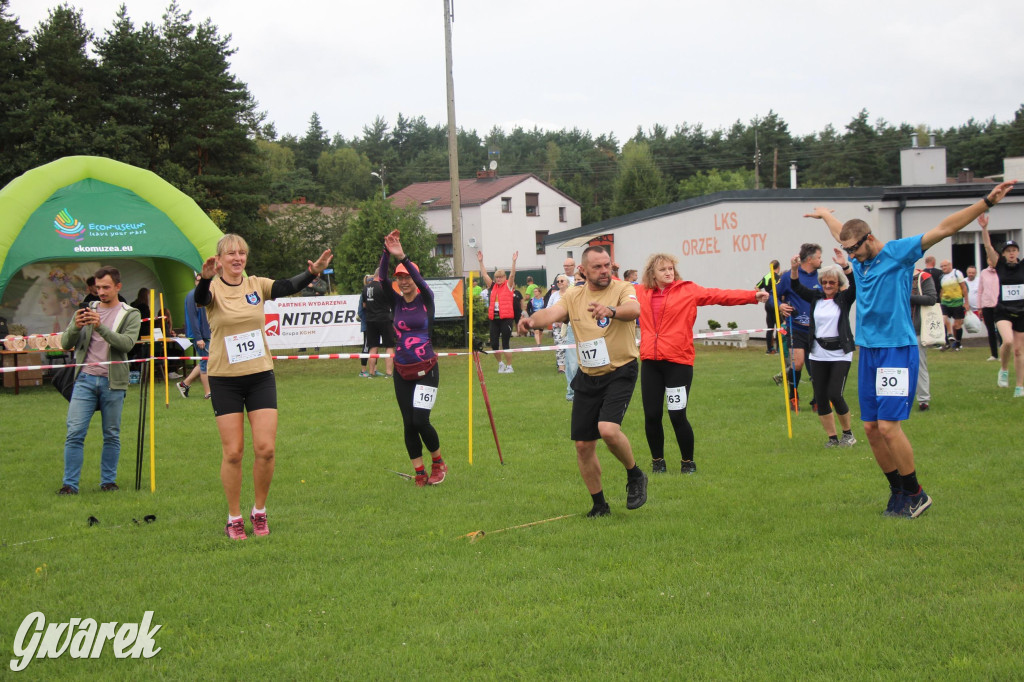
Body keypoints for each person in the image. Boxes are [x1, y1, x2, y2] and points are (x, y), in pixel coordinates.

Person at [804, 178, 1015, 519]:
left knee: (889, 427)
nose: (853, 258)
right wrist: (825, 214)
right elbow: (841, 230)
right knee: (871, 429)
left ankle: (916, 493)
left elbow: (945, 227)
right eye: (850, 252)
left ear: (870, 239)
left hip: (897, 350)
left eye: (856, 250)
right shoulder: (858, 257)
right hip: (869, 350)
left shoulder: (898, 253)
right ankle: (898, 492)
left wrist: (987, 202)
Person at [196, 233, 333, 540]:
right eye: (230, 254)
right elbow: (201, 299)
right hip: (224, 379)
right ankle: (234, 517)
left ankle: (259, 512)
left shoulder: (255, 284)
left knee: (266, 449)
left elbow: (286, 287)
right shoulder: (212, 288)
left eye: (241, 253)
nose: (237, 258)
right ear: (219, 260)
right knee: (233, 453)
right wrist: (205, 280)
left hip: (260, 376)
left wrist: (314, 271)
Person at [518, 246, 648, 517]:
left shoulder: (623, 288)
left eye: (607, 265)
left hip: (620, 370)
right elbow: (550, 315)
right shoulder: (573, 295)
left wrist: (610, 310)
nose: (604, 271)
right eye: (598, 267)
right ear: (583, 270)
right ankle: (599, 505)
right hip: (588, 376)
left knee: (608, 430)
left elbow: (634, 310)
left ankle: (635, 474)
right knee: (583, 445)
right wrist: (531, 321)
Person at [635, 252, 768, 473]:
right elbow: (613, 287)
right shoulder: (640, 292)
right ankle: (658, 462)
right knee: (651, 415)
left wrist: (752, 296)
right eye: (663, 270)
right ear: (652, 274)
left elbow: (720, 295)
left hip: (678, 362)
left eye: (670, 269)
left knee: (677, 414)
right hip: (651, 362)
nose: (668, 273)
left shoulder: (688, 290)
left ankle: (688, 462)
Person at [57, 266, 141, 495]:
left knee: (111, 434)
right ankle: (69, 485)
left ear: (117, 287)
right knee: (74, 432)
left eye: (106, 287)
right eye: (98, 287)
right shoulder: (85, 309)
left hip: (113, 382)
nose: (100, 292)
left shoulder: (130, 313)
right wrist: (76, 325)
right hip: (84, 379)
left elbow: (126, 345)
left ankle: (108, 482)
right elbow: (65, 343)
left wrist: (100, 327)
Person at [378, 230, 447, 486]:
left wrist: (403, 256)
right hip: (402, 370)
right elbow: (381, 278)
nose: (404, 281)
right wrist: (386, 251)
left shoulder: (426, 299)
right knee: (408, 423)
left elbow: (419, 278)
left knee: (421, 419)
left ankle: (438, 462)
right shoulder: (395, 301)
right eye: (400, 278)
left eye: (407, 277)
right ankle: (419, 471)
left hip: (427, 369)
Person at [787, 251, 858, 447]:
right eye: (825, 282)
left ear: (838, 284)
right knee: (821, 396)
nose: (827, 286)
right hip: (818, 352)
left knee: (835, 393)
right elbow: (796, 287)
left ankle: (848, 434)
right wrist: (794, 269)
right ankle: (832, 438)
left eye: (832, 283)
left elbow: (856, 285)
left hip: (840, 353)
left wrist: (845, 266)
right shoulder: (816, 298)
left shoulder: (844, 299)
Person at [769, 244, 823, 411]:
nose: (821, 260)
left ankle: (817, 400)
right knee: (797, 364)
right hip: (796, 327)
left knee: (816, 367)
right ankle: (793, 397)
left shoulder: (821, 278)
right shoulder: (789, 277)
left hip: (817, 329)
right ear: (809, 259)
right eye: (819, 257)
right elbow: (773, 295)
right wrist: (780, 306)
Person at [979, 213, 1024, 397]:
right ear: (1004, 254)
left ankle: (1020, 387)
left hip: (1022, 312)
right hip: (1003, 311)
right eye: (1008, 250)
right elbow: (988, 247)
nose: (1012, 253)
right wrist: (984, 228)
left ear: (1018, 253)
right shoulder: (1000, 265)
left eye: (1015, 250)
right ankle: (1003, 370)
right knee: (1008, 341)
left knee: (1019, 351)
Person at [476, 249, 518, 374]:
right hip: (494, 319)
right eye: (497, 277)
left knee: (505, 343)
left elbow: (512, 275)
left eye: (500, 277)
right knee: (494, 344)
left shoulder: (508, 285)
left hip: (506, 319)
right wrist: (481, 262)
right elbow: (484, 275)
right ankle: (500, 364)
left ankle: (510, 366)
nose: (498, 279)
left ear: (504, 278)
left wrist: (514, 261)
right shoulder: (493, 286)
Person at [178, 272, 212, 400]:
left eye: (201, 280)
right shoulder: (192, 296)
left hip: (206, 335)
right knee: (205, 363)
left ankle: (185, 383)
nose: (199, 283)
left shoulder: (206, 295)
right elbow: (193, 318)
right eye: (197, 280)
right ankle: (208, 393)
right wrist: (198, 338)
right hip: (199, 336)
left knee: (206, 360)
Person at [910, 268, 937, 411]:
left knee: (919, 364)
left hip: (917, 329)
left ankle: (923, 400)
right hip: (897, 330)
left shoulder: (923, 277)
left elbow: (931, 298)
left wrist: (907, 297)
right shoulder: (894, 275)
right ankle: (901, 398)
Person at [360, 270, 395, 379]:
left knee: (373, 347)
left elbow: (364, 305)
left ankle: (371, 373)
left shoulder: (366, 288)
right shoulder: (384, 287)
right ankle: (389, 373)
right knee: (389, 346)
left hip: (370, 320)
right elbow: (392, 302)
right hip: (384, 319)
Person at [977, 254, 1003, 361]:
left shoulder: (1001, 271)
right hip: (987, 305)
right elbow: (980, 290)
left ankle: (1002, 353)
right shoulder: (984, 272)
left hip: (999, 305)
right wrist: (979, 307)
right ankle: (994, 355)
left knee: (1001, 330)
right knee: (991, 330)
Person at [938, 259, 968, 351]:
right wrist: (940, 301)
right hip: (945, 302)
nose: (943, 268)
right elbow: (942, 290)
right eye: (942, 266)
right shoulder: (942, 277)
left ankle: (958, 343)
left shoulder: (957, 273)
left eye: (945, 266)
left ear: (950, 265)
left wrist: (966, 302)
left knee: (957, 325)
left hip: (957, 302)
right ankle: (946, 342)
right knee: (943, 320)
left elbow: (963, 287)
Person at [755, 260, 781, 354]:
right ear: (778, 267)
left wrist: (762, 296)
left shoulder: (766, 276)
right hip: (775, 302)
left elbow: (756, 287)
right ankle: (779, 349)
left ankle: (769, 349)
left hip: (767, 302)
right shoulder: (778, 277)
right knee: (779, 326)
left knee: (770, 327)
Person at [546, 275, 571, 373]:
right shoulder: (554, 295)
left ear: (567, 283)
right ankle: (561, 367)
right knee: (559, 346)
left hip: (569, 325)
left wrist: (565, 320)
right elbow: (549, 308)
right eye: (558, 281)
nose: (559, 282)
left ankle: (571, 365)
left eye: (562, 281)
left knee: (570, 345)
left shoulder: (571, 294)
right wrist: (555, 320)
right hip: (556, 326)